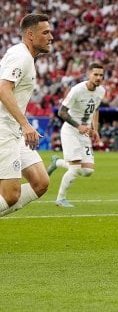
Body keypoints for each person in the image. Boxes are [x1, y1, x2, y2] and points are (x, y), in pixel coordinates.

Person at [0, 13, 52, 217]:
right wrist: (26, 125)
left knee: (40, 182)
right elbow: (3, 89)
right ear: (30, 35)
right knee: (11, 195)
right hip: (4, 129)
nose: (51, 37)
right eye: (45, 32)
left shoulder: (25, 57)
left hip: (14, 130)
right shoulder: (21, 56)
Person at [48, 63, 106, 207]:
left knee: (87, 171)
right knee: (75, 168)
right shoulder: (77, 90)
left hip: (84, 132)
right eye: (95, 74)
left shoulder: (101, 91)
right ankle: (60, 199)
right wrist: (78, 126)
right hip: (70, 131)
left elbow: (96, 109)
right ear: (88, 75)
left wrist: (95, 128)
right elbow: (61, 112)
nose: (98, 78)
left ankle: (57, 163)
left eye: (101, 75)